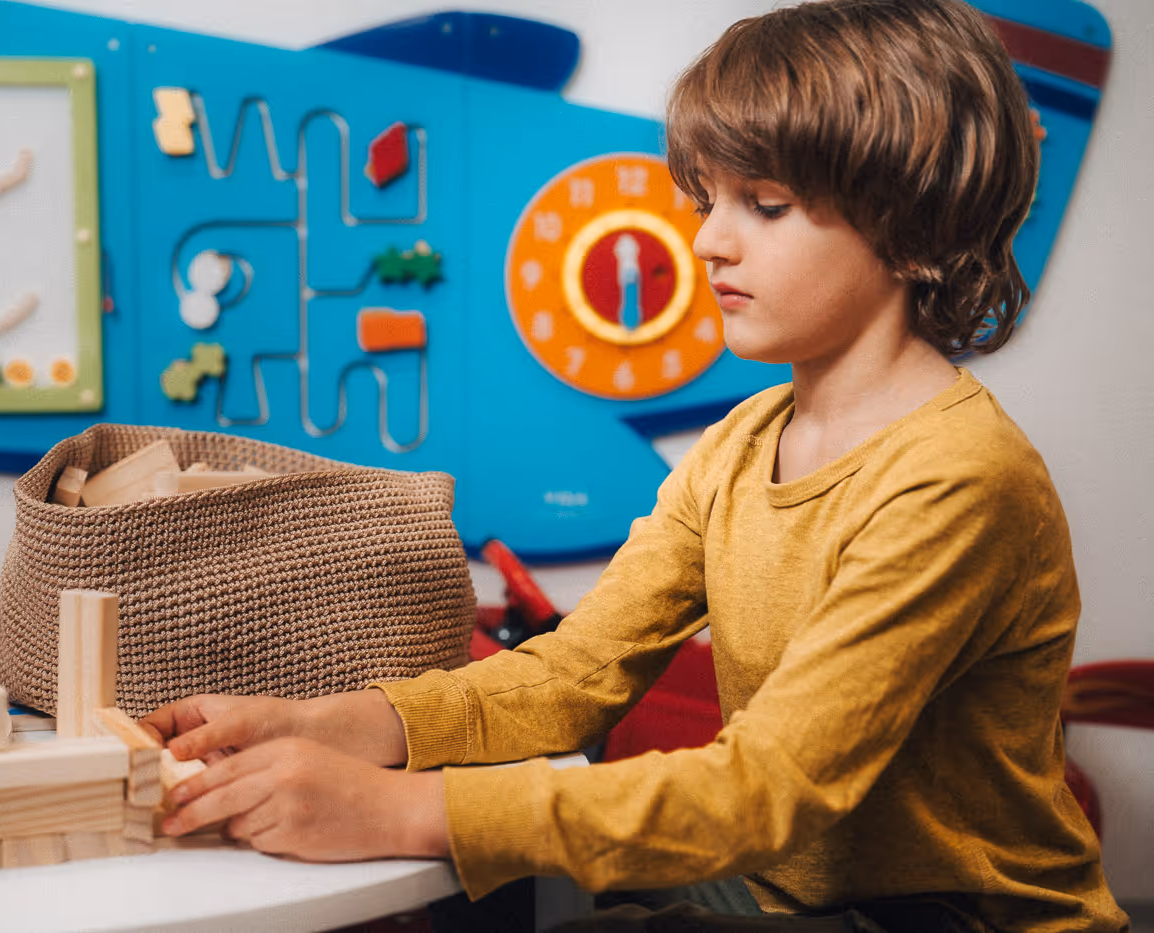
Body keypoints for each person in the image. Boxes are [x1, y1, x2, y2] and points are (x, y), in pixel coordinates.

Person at [141, 1, 1129, 929]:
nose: (704, 241)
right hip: (798, 900)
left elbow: (763, 790)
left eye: (766, 203)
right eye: (708, 199)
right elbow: (570, 677)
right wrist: (322, 724)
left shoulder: (955, 477)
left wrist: (402, 809)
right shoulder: (741, 445)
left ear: (921, 230)